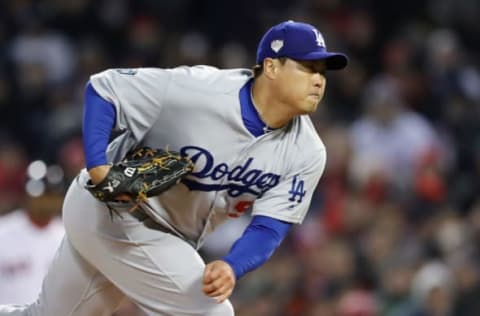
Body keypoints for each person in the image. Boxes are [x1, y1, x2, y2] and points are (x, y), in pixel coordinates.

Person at [0, 20, 347, 315]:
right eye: (307, 67)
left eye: (322, 72)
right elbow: (105, 89)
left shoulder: (307, 152)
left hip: (169, 235)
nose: (319, 80)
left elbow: (269, 228)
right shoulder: (196, 91)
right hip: (111, 210)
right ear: (271, 67)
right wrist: (99, 167)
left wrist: (231, 265)